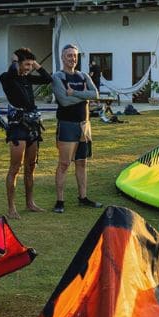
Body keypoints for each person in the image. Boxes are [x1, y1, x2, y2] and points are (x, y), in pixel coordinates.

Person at [0, 48, 51, 217]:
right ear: (18, 63)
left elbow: (47, 79)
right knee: (15, 167)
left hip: (33, 126)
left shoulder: (27, 78)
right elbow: (13, 71)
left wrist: (36, 63)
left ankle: (30, 203)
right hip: (17, 128)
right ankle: (11, 208)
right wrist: (14, 61)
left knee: (30, 167)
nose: (28, 67)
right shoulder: (7, 78)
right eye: (26, 64)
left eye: (30, 64)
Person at [52, 43, 102, 213]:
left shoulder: (83, 75)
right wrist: (83, 97)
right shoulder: (58, 77)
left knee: (82, 163)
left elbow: (95, 94)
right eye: (69, 56)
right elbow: (64, 101)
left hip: (84, 125)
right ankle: (60, 201)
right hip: (67, 125)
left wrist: (74, 94)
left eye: (75, 55)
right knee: (64, 164)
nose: (72, 59)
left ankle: (83, 197)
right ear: (62, 57)